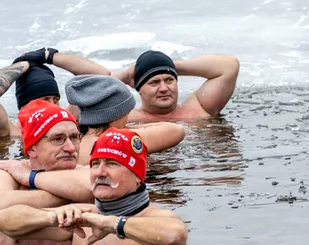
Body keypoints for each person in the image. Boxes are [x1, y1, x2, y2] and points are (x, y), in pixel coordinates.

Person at [0, 128, 186, 245]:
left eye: (112, 163)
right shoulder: (85, 216)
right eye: (95, 164)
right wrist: (50, 216)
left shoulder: (156, 218)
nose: (100, 172)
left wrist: (112, 223)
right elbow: (6, 222)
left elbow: (174, 237)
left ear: (138, 176)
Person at [0, 101, 87, 245]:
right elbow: (2, 205)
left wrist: (31, 178)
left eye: (74, 137)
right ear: (32, 148)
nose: (71, 148)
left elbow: (91, 187)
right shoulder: (7, 174)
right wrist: (69, 193)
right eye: (58, 139)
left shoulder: (85, 173)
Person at [65, 75, 185, 163]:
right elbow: (176, 130)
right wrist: (122, 130)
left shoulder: (79, 143)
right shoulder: (116, 141)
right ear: (113, 115)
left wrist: (120, 127)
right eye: (126, 113)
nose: (127, 118)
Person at [0, 47, 111, 137]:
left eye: (56, 100)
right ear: (24, 105)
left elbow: (102, 77)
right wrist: (21, 64)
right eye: (45, 100)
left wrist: (49, 55)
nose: (53, 106)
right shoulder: (10, 132)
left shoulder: (69, 119)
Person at [111, 50, 240, 121]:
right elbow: (92, 90)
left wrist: (173, 66)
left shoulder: (200, 108)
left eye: (169, 80)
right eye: (154, 82)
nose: (163, 88)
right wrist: (126, 75)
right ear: (139, 90)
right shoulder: (127, 118)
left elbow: (229, 66)